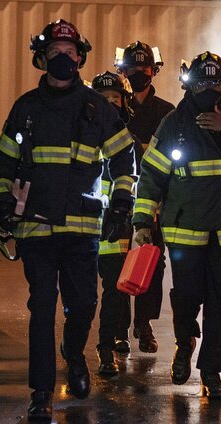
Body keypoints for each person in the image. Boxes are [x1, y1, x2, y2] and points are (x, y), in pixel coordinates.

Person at [0, 19, 136, 421]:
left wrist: (122, 201)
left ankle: (74, 354)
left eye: (70, 53)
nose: (63, 59)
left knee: (84, 304)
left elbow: (124, 155)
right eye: (55, 53)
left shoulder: (96, 108)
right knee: (41, 309)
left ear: (80, 58)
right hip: (35, 227)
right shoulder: (26, 108)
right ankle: (41, 392)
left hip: (82, 228)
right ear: (42, 58)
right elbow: (4, 159)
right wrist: (2, 197)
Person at [131, 51, 221, 400]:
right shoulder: (173, 123)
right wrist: (141, 221)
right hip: (185, 232)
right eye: (201, 82)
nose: (208, 89)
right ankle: (185, 344)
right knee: (186, 297)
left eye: (215, 82)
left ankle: (211, 372)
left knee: (218, 301)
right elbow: (151, 175)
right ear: (188, 84)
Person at [112, 41, 175, 355]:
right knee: (119, 262)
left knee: (153, 263)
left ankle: (144, 324)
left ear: (155, 71)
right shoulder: (114, 109)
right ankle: (120, 329)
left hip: (154, 202)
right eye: (133, 68)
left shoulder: (167, 112)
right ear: (122, 71)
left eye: (145, 68)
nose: (139, 73)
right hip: (119, 200)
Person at [89, 70, 135, 376]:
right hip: (83, 226)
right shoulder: (81, 131)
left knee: (114, 291)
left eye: (114, 98)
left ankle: (107, 347)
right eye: (103, 98)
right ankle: (74, 341)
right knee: (80, 295)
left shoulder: (127, 139)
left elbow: (134, 180)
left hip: (115, 226)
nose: (109, 103)